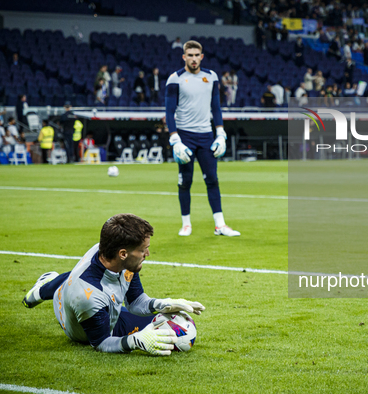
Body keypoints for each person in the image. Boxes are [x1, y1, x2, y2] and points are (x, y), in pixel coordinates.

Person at [22, 213, 205, 355]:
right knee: (75, 284)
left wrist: (164, 303)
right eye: (143, 250)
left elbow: (135, 302)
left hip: (99, 300)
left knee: (173, 324)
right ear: (123, 253)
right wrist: (134, 341)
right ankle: (43, 289)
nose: (147, 254)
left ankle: (55, 284)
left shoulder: (115, 254)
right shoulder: (88, 297)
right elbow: (101, 343)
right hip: (83, 327)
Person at [165, 40, 240, 237]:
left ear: (202, 56)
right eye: (189, 55)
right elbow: (169, 111)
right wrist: (175, 140)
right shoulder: (175, 79)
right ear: (184, 57)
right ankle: (186, 224)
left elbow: (216, 108)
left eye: (196, 55)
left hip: (206, 136)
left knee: (213, 180)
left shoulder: (212, 77)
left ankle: (220, 225)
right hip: (185, 137)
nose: (193, 58)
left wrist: (221, 133)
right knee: (185, 181)